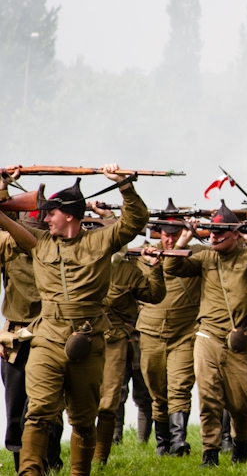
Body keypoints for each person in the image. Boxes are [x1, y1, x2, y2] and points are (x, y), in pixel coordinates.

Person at [0, 164, 149, 476]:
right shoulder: (39, 242)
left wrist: (124, 185)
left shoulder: (100, 241)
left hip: (88, 340)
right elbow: (7, 226)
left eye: (50, 213)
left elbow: (135, 221)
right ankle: (29, 472)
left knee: (82, 419)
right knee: (38, 412)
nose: (45, 218)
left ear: (68, 214)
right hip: (46, 339)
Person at [159, 201, 247, 468]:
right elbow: (171, 269)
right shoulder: (204, 256)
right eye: (211, 231)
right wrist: (184, 239)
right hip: (208, 338)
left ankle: (239, 443)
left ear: (235, 234)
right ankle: (209, 453)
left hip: (241, 341)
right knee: (209, 399)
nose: (213, 236)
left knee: (242, 401)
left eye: (219, 232)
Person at [0, 173, 64, 473]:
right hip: (15, 337)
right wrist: (2, 184)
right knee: (16, 409)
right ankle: (21, 466)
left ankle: (48, 462)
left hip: (51, 335)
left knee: (47, 410)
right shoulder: (7, 246)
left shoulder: (60, 248)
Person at [136, 200, 207, 457]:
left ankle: (178, 442)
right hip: (151, 332)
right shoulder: (142, 255)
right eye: (167, 234)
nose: (170, 239)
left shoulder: (196, 253)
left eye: (176, 234)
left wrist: (184, 242)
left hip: (184, 333)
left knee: (179, 386)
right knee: (157, 390)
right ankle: (163, 442)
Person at [92, 224, 165, 465]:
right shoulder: (79, 264)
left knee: (115, 398)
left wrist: (155, 267)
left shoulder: (128, 270)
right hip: (82, 337)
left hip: (117, 338)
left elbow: (153, 296)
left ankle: (100, 457)